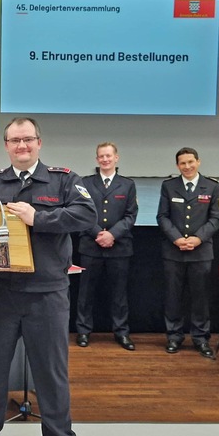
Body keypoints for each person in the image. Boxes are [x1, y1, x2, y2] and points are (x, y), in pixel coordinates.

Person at [0, 117, 96, 436]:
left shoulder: (64, 179)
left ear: (39, 143)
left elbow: (86, 215)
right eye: (15, 140)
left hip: (47, 292)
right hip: (2, 291)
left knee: (51, 371)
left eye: (28, 139)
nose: (22, 146)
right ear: (6, 146)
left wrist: (40, 218)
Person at [157, 147, 219, 358]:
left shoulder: (212, 186)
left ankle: (201, 338)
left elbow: (216, 218)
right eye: (183, 163)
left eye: (190, 162)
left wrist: (198, 238)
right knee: (173, 296)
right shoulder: (169, 186)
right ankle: (174, 337)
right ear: (177, 166)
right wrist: (176, 238)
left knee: (200, 297)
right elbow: (162, 217)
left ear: (198, 162)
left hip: (201, 252)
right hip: (173, 251)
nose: (187, 166)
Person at [75, 142, 138, 351]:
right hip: (90, 246)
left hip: (119, 248)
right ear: (97, 159)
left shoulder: (127, 185)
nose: (105, 159)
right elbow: (81, 212)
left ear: (116, 158)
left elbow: (130, 216)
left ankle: (122, 332)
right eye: (101, 156)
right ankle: (83, 331)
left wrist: (112, 234)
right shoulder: (85, 183)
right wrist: (97, 234)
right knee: (85, 293)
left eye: (108, 156)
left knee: (119, 294)